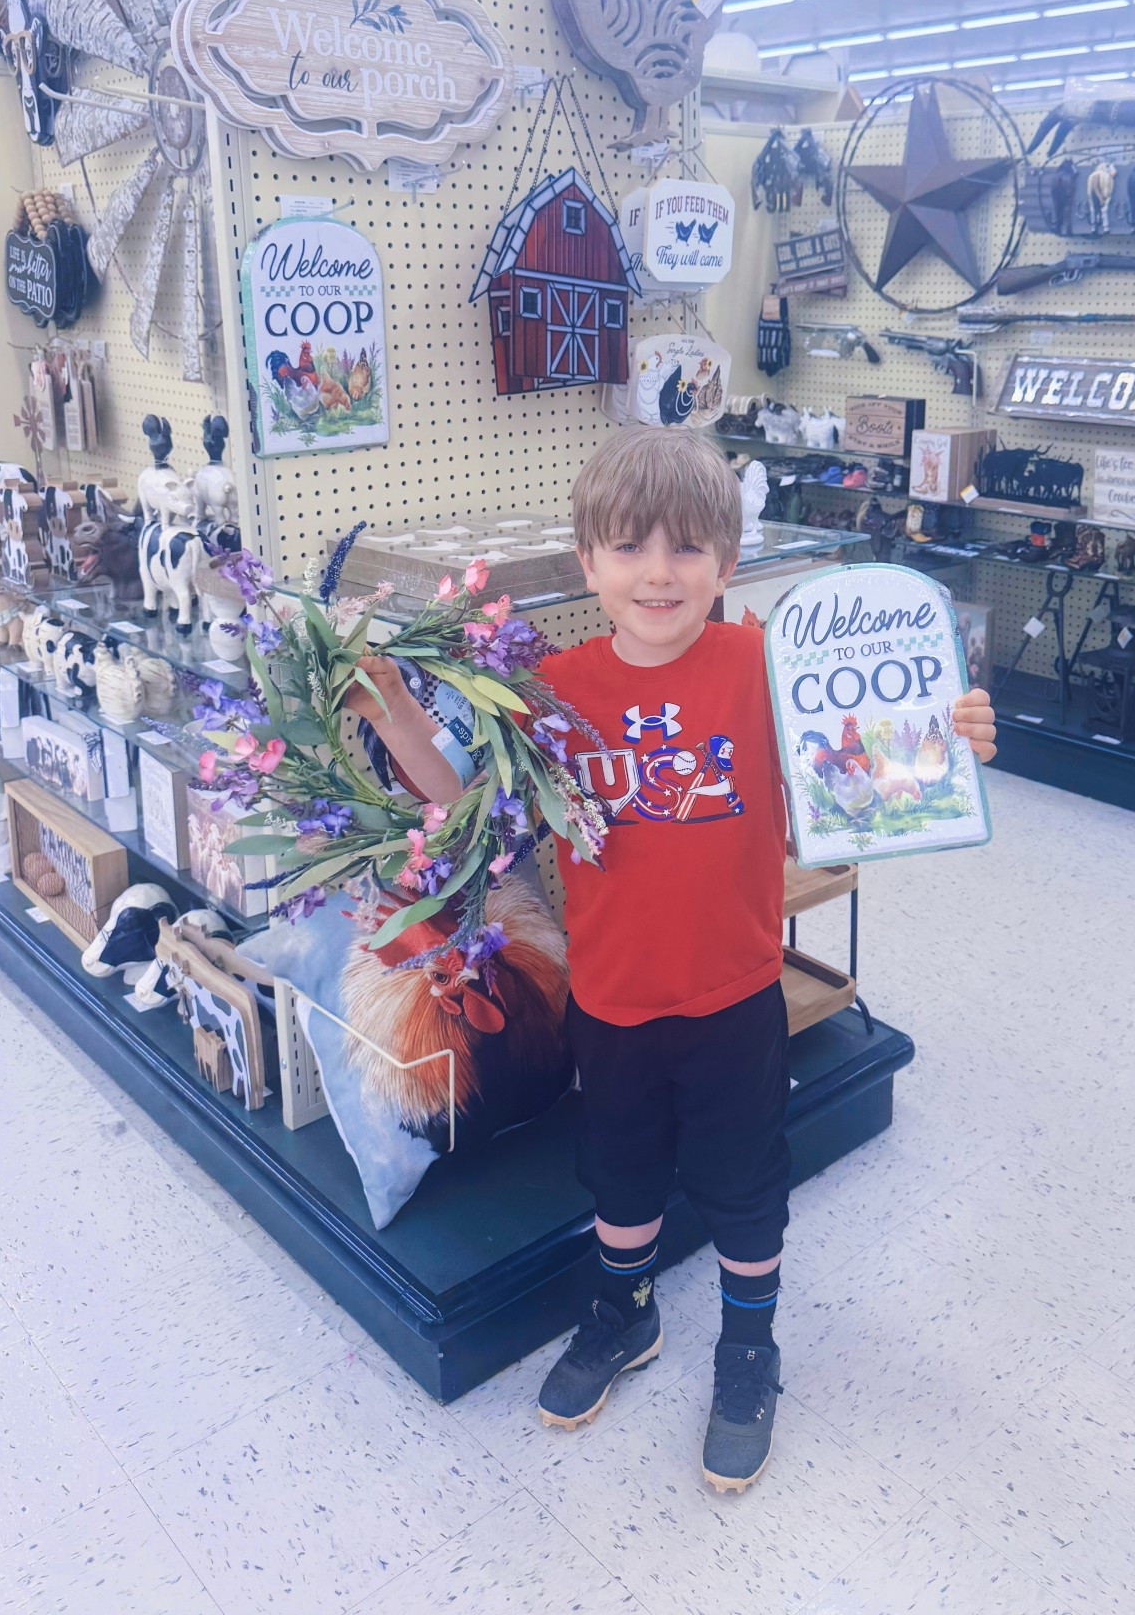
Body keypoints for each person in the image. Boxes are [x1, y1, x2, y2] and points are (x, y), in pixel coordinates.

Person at [354, 429, 998, 1492]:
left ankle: (749, 1342)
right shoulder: (551, 694)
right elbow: (462, 799)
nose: (659, 572)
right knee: (620, 1172)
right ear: (588, 560)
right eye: (629, 546)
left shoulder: (766, 668)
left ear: (728, 561)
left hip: (735, 998)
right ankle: (626, 1308)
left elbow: (876, 760)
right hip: (611, 1003)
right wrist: (396, 713)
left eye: (688, 547)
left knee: (746, 1183)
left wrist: (947, 732)